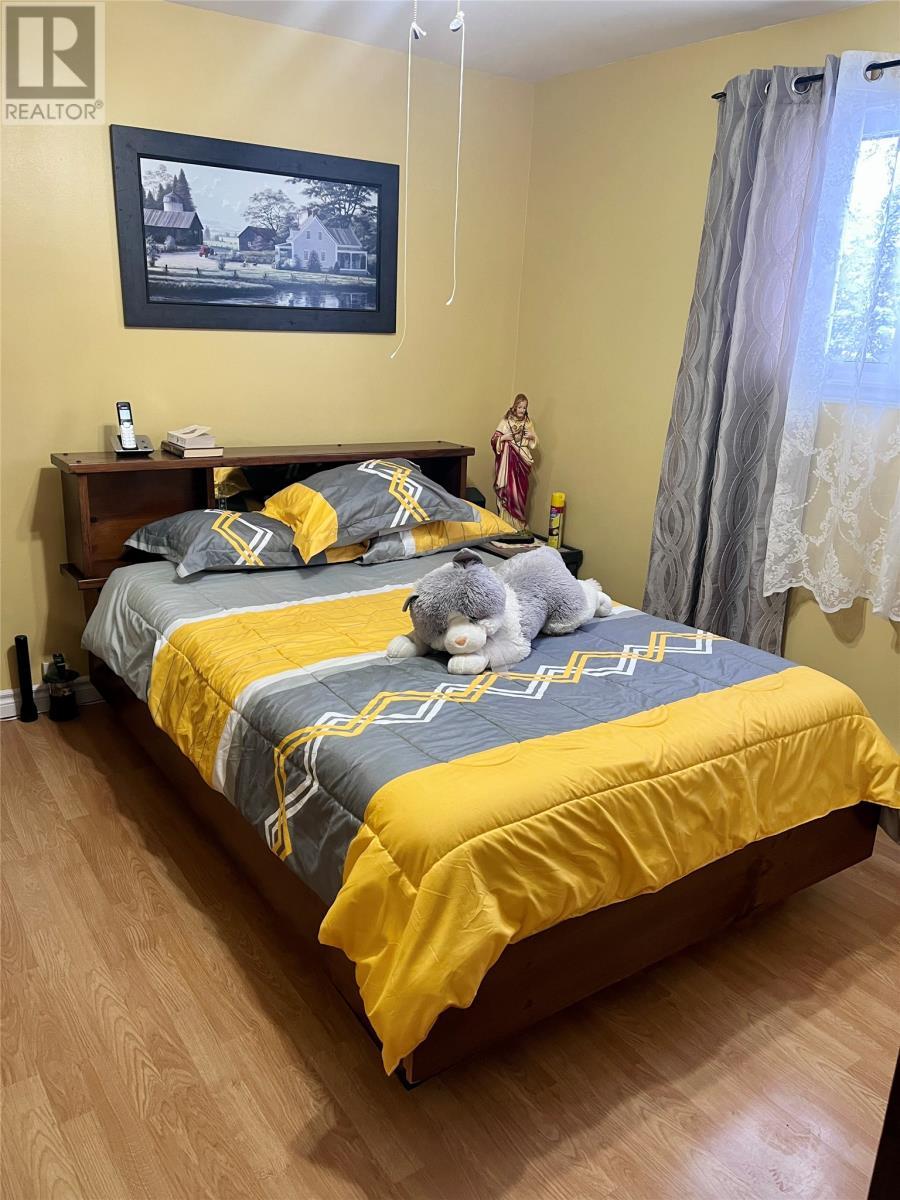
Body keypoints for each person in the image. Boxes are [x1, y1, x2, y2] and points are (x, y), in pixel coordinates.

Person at [491, 394, 538, 531]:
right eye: (520, 407)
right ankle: (506, 523)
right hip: (508, 459)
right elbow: (494, 439)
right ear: (515, 406)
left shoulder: (528, 422)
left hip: (523, 458)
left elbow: (533, 442)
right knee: (508, 490)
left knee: (521, 492)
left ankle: (519, 524)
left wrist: (531, 437)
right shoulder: (506, 421)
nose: (522, 410)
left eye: (525, 407)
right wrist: (504, 437)